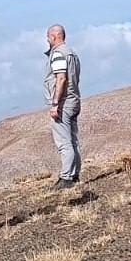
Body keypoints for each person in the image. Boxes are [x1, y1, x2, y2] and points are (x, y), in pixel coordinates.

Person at [44, 24, 81, 189]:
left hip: (64, 103)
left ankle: (66, 178)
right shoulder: (72, 53)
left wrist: (55, 103)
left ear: (54, 37)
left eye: (48, 37)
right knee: (73, 141)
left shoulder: (58, 53)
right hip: (74, 100)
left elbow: (61, 78)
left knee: (64, 142)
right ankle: (74, 174)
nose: (47, 40)